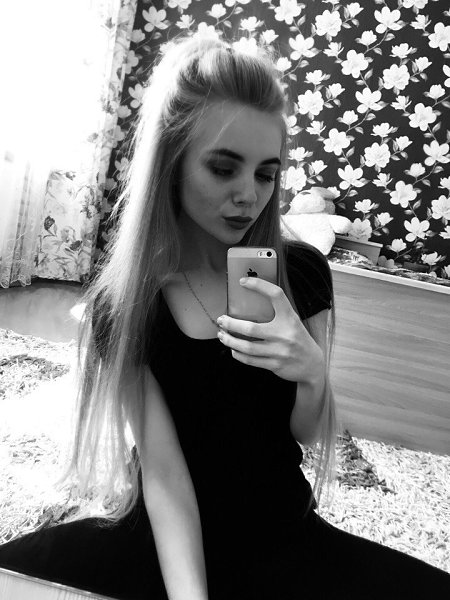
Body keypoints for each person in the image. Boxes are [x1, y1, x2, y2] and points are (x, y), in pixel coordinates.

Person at [0, 35, 448, 600]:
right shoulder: (126, 305)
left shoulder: (302, 274)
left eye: (265, 174)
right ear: (171, 163)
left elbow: (305, 433)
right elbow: (165, 476)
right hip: (162, 541)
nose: (249, 196)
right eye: (223, 168)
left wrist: (311, 372)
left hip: (283, 535)